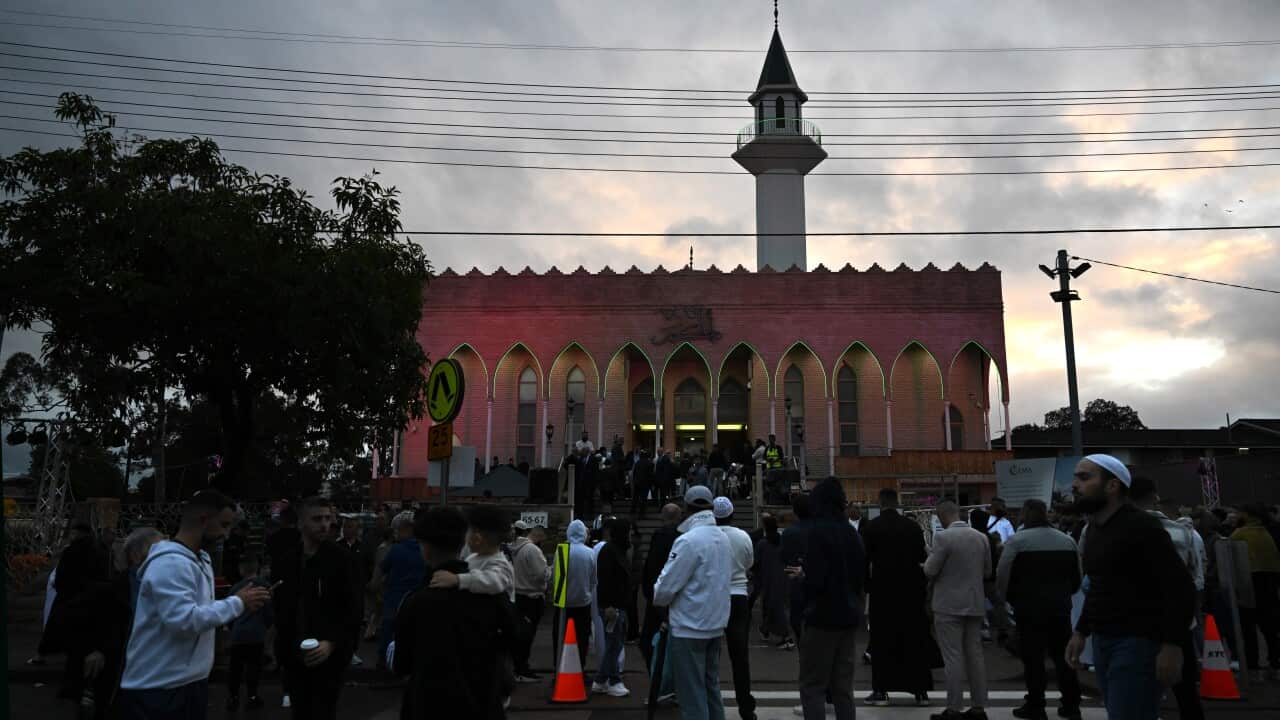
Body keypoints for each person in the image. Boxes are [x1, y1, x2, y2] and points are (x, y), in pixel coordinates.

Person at [119, 491, 270, 720]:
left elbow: (200, 612)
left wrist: (239, 603)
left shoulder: (201, 560)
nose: (227, 534)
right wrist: (238, 603)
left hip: (189, 682)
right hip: (158, 688)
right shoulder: (170, 563)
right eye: (224, 525)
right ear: (203, 519)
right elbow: (184, 620)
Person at [1065, 454, 1196, 719]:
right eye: (1076, 477)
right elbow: (1099, 584)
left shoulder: (1142, 526)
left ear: (1112, 486)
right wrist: (1081, 632)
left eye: (1084, 477)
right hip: (1104, 639)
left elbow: (1179, 587)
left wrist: (1171, 645)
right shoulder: (1094, 529)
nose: (1075, 485)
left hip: (1139, 641)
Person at [392, 506, 514, 719]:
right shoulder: (493, 597)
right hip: (483, 702)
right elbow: (513, 636)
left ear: (425, 547)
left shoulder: (417, 601)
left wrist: (459, 580)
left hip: (430, 704)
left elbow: (401, 664)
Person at [272, 497, 362, 719]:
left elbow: (353, 609)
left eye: (327, 518)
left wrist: (332, 643)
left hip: (328, 656)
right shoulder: (287, 559)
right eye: (317, 519)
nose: (324, 524)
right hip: (294, 654)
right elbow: (282, 607)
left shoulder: (342, 559)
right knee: (300, 711)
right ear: (301, 522)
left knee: (323, 711)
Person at [61, 527, 163, 720]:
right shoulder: (112, 589)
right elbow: (77, 619)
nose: (166, 558)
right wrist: (94, 648)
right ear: (136, 556)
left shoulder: (164, 586)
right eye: (158, 552)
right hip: (117, 673)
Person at [996, 499, 1082, 720]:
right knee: (1063, 657)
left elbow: (1003, 574)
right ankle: (1071, 705)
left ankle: (1036, 705)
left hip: (1028, 608)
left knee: (1033, 658)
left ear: (1025, 515)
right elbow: (1077, 577)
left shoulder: (1017, 541)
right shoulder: (1067, 541)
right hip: (1060, 608)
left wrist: (1007, 598)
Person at [653, 485, 731, 720]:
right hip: (716, 623)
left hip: (689, 625)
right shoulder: (723, 538)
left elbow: (664, 589)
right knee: (710, 687)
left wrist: (659, 595)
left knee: (692, 693)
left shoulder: (687, 541)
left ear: (686, 508)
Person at [1129, 477, 1204, 720]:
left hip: (1135, 623)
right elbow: (1195, 576)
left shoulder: (1115, 530)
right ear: (1155, 497)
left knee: (1135, 694)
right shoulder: (1183, 531)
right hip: (1179, 622)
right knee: (1186, 692)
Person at [792, 478, 865, 720]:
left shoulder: (817, 532)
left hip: (821, 616)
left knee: (813, 685)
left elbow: (815, 580)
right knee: (843, 688)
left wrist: (803, 579)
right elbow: (860, 576)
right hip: (849, 615)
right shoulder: (851, 533)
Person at [861, 488, 935, 706]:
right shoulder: (912, 527)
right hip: (911, 590)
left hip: (883, 590)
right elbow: (922, 556)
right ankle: (920, 691)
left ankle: (881, 690)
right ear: (897, 503)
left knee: (882, 640)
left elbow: (864, 560)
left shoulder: (872, 527)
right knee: (914, 639)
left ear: (880, 503)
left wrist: (867, 586)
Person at [923, 501, 991, 720]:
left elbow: (930, 570)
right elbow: (987, 571)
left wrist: (927, 559)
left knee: (953, 657)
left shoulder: (943, 538)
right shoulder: (981, 537)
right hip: (974, 603)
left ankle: (954, 708)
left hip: (948, 605)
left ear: (942, 515)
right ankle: (978, 707)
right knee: (975, 656)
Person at [41, 521, 108, 701]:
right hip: (93, 602)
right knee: (86, 646)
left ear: (77, 534)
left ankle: (72, 687)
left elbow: (61, 579)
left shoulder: (71, 552)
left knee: (74, 649)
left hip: (72, 602)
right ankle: (86, 685)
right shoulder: (100, 551)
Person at [715, 497, 758, 720]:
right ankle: (746, 707)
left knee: (710, 653)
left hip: (714, 597)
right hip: (739, 596)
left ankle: (711, 703)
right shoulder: (742, 536)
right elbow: (749, 563)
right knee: (740, 656)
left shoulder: (707, 537)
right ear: (732, 514)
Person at [1230, 502, 1280, 681]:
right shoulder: (1272, 531)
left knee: (1248, 628)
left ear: (1247, 515)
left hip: (1247, 584)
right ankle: (1275, 663)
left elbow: (1231, 561)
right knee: (1270, 627)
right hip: (1270, 583)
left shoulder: (1239, 534)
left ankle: (1252, 665)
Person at [226, 555, 274, 711]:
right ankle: (252, 696)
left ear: (241, 570)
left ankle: (233, 697)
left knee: (235, 668)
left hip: (238, 634)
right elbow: (269, 613)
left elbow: (229, 612)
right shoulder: (265, 586)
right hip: (256, 634)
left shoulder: (235, 588)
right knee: (254, 667)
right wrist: (265, 626)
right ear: (257, 568)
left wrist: (233, 628)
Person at [593, 517, 633, 697]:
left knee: (614, 643)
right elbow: (604, 580)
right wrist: (608, 605)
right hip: (613, 605)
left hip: (617, 604)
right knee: (614, 643)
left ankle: (602, 679)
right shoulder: (610, 551)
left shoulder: (616, 550)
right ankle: (612, 680)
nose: (631, 535)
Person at [379, 511, 426, 663]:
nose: (395, 534)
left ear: (407, 530)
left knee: (388, 630)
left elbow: (382, 568)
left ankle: (384, 662)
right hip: (418, 599)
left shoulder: (396, 549)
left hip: (394, 598)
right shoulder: (425, 549)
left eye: (398, 530)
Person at [640, 503, 682, 669]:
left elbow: (652, 565)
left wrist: (649, 590)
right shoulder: (683, 536)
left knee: (649, 637)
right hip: (677, 593)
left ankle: (656, 671)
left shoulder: (659, 536)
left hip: (658, 592)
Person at [509, 522, 549, 683]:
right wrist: (551, 570)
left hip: (518, 596)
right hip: (531, 597)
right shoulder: (532, 550)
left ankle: (519, 668)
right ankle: (522, 670)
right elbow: (541, 574)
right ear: (539, 534)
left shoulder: (514, 549)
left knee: (520, 635)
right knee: (527, 636)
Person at [560, 519, 597, 671]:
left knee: (562, 638)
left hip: (564, 604)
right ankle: (580, 668)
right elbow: (593, 579)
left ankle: (560, 668)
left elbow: (556, 579)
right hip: (583, 602)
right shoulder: (590, 553)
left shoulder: (562, 550)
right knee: (582, 639)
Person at [753, 513, 794, 649]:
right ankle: (766, 629)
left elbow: (756, 562)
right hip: (783, 577)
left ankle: (785, 637)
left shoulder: (763, 544)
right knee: (778, 606)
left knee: (772, 607)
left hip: (768, 578)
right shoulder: (783, 542)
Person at [763, 434, 785, 504]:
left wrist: (775, 461)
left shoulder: (778, 448)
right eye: (770, 439)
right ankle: (769, 500)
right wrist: (769, 460)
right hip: (769, 469)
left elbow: (781, 457)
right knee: (769, 484)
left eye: (772, 439)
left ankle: (777, 499)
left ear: (774, 439)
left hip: (777, 469)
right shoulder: (767, 448)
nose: (771, 440)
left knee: (777, 484)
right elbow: (764, 457)